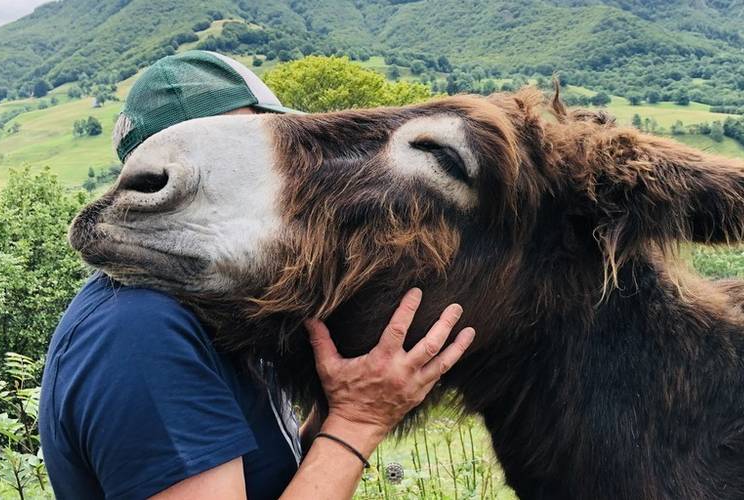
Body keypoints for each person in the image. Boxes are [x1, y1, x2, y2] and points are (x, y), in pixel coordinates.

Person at [38, 51, 476, 499]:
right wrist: (358, 422)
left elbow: (273, 480)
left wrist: (336, 410)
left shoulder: (209, 310)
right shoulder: (139, 334)